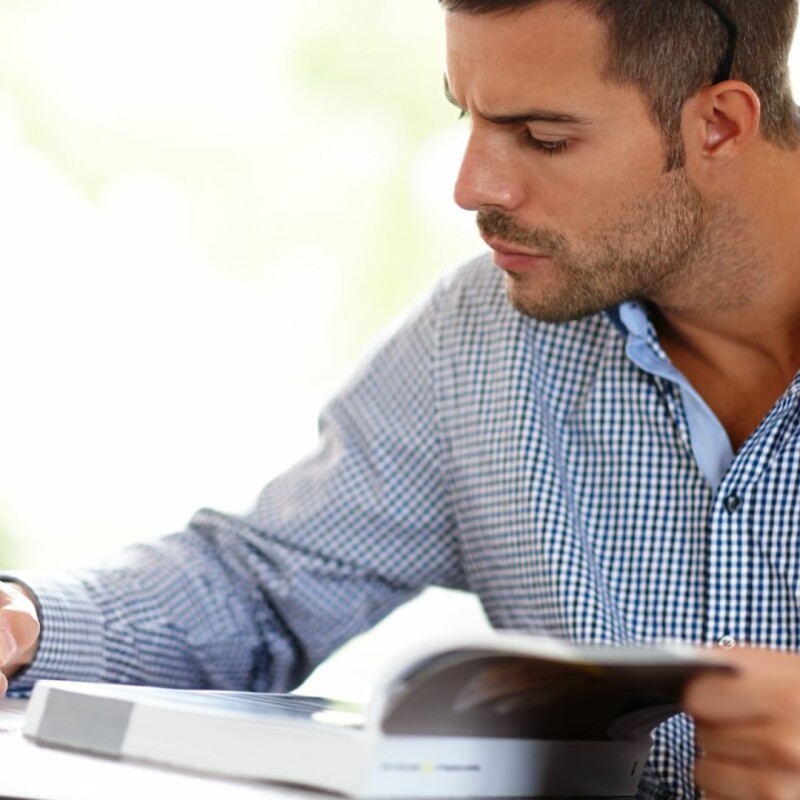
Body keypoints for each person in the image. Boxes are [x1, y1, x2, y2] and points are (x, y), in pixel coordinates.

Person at [1, 0, 799, 797]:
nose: (471, 185)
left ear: (720, 126)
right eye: (467, 115)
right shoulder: (483, 334)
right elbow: (262, 589)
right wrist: (22, 621)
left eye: (544, 138)